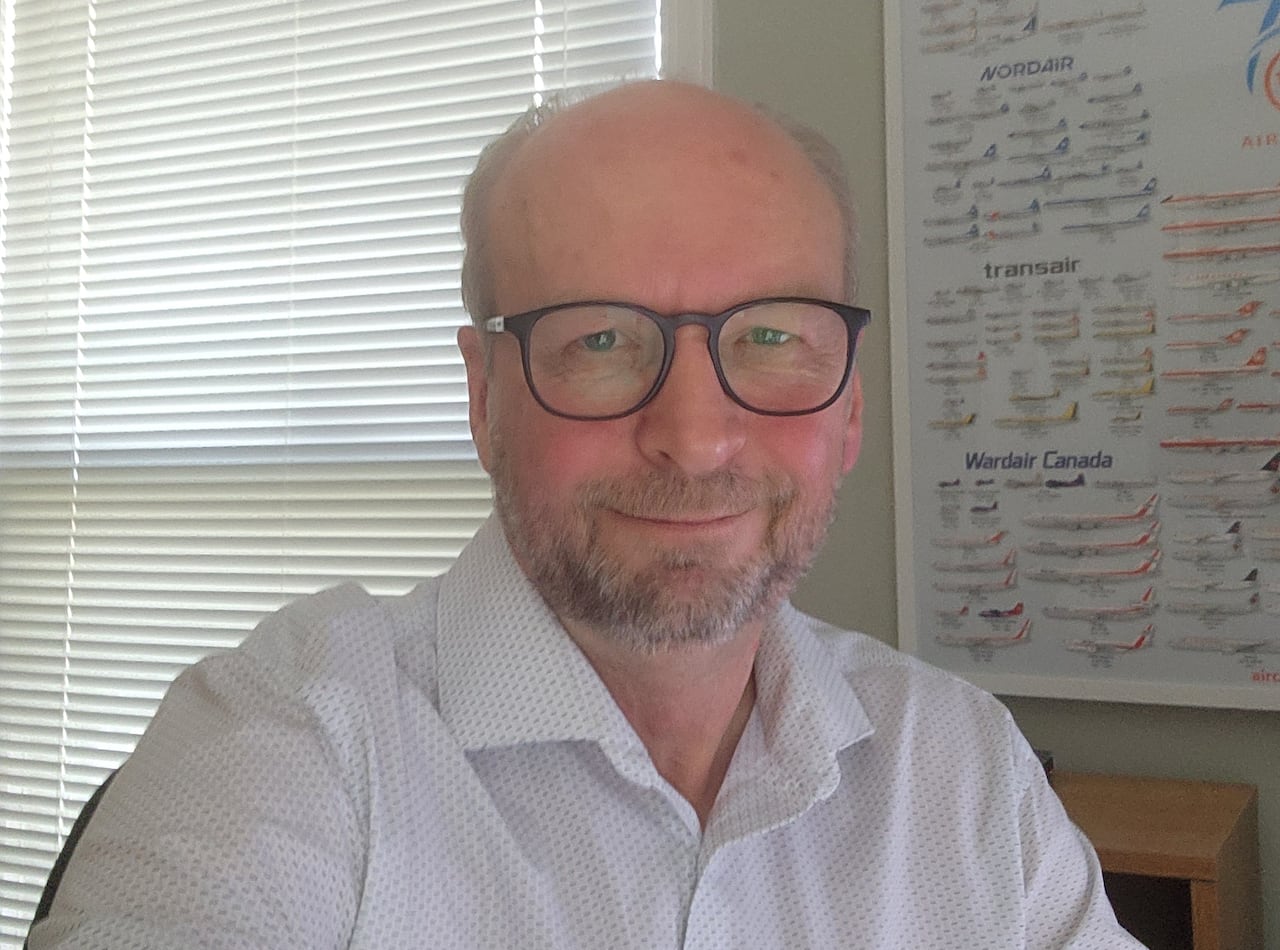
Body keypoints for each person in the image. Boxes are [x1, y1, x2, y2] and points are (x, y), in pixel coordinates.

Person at [28, 80, 1142, 949]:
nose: (695, 437)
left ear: (847, 405)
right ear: (483, 398)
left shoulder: (955, 768)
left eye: (769, 337)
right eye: (600, 341)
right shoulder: (293, 741)